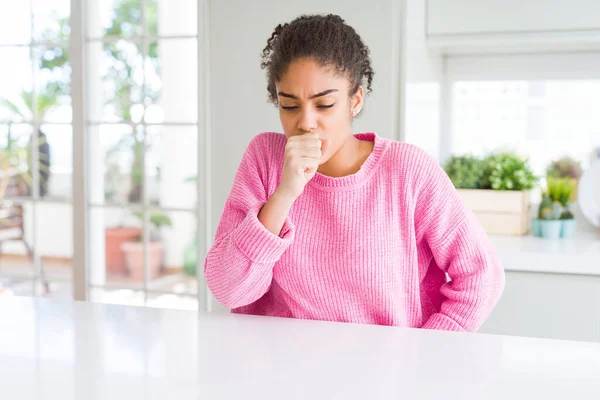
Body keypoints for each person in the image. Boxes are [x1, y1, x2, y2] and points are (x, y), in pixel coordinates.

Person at [204, 14, 505, 331]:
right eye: (289, 105)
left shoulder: (407, 171)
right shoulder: (265, 158)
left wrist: (427, 354)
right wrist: (284, 194)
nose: (305, 122)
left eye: (324, 105)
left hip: (384, 375)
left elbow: (481, 276)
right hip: (279, 372)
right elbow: (228, 290)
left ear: (355, 100)